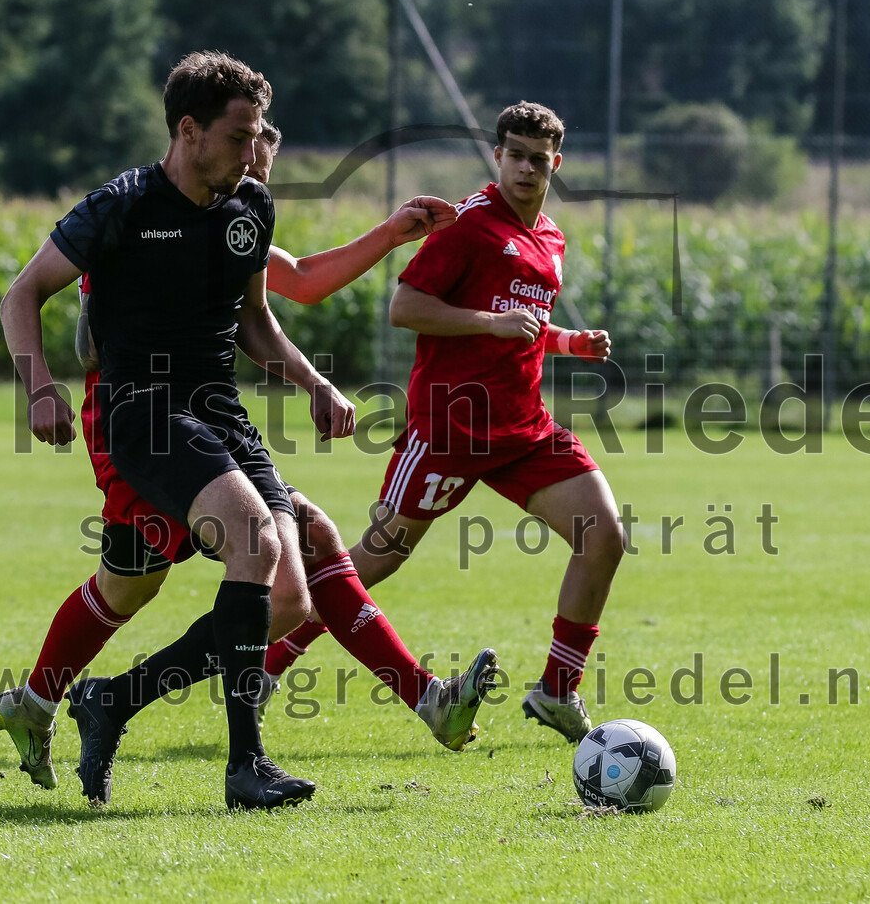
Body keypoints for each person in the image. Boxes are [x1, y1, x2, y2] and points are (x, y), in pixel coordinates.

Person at [0, 92, 497, 808]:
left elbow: (261, 311)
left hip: (219, 417)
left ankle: (93, 701)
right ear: (190, 131)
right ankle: (244, 761)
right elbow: (24, 293)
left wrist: (315, 382)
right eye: (243, 139)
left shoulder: (246, 207)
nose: (254, 157)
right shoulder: (125, 204)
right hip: (139, 413)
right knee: (225, 553)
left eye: (260, 141)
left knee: (269, 594)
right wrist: (39, 387)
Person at [261, 101, 624, 745]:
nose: (525, 168)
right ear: (498, 156)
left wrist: (570, 344)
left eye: (538, 159)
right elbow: (405, 307)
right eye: (514, 154)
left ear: (555, 165)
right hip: (448, 434)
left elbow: (524, 327)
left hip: (524, 431)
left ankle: (556, 690)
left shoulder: (550, 239)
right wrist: (489, 324)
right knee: (372, 563)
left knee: (605, 537)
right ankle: (271, 661)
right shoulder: (467, 228)